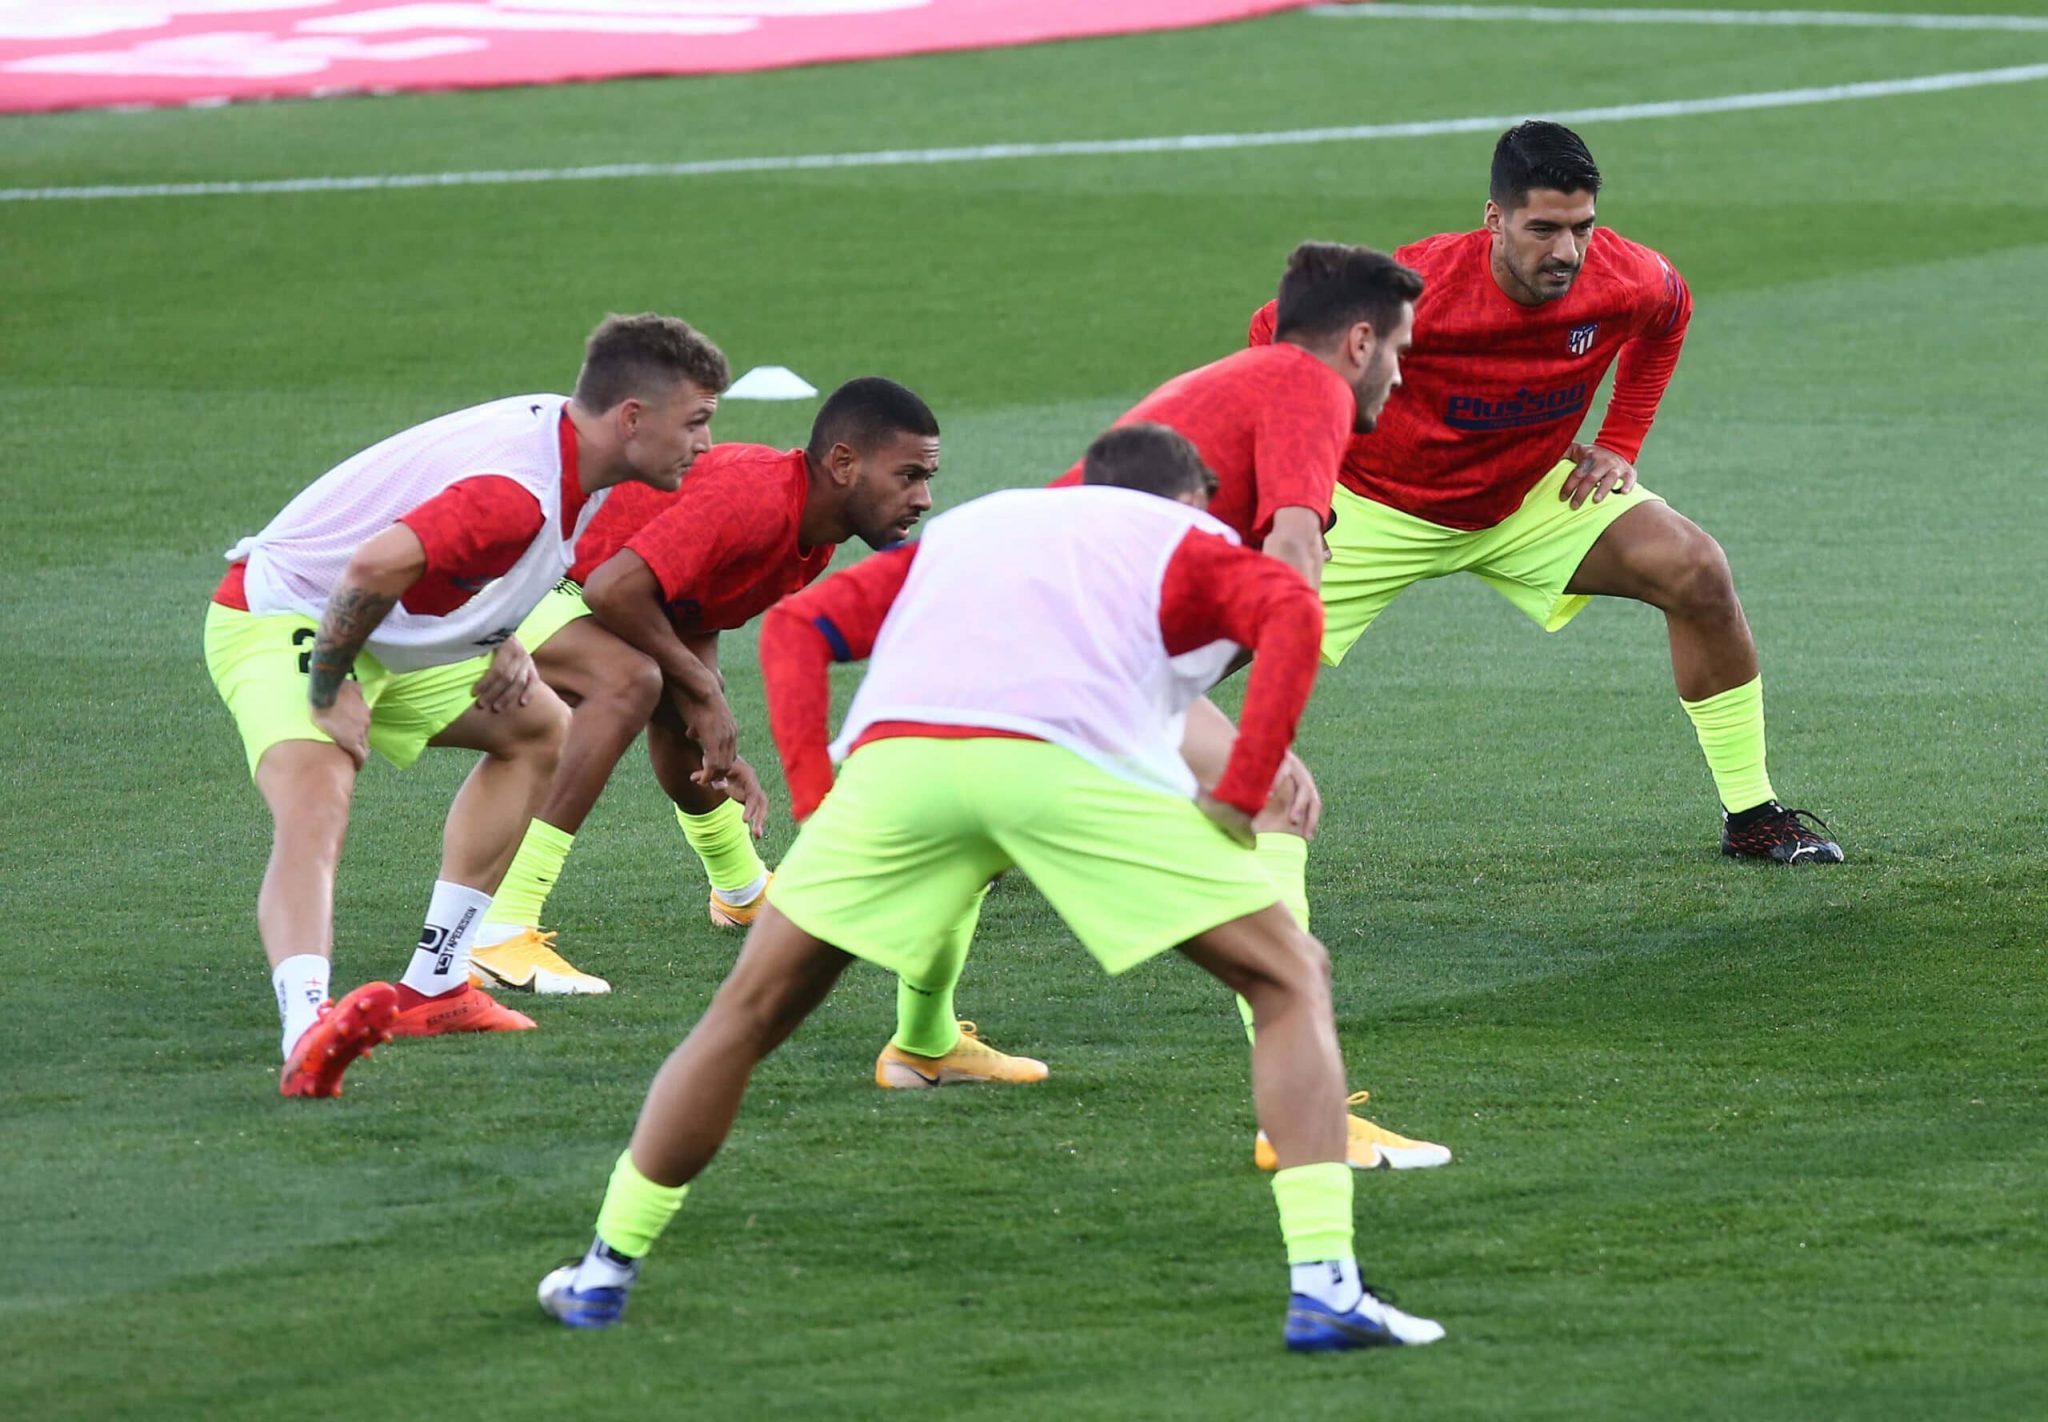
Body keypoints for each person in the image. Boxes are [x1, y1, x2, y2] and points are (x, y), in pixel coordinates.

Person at [535, 424, 1445, 1351]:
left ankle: (604, 1267)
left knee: (742, 1018)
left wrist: (818, 801)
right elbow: (1289, 612)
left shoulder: (979, 527)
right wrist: (1247, 784)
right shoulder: (1184, 532)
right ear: (1186, 500)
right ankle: (1324, 1288)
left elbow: (804, 627)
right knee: (1289, 978)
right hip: (1062, 767)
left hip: (901, 769)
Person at [872, 243, 1450, 1171]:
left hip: (1007, 624)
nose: (1402, 372)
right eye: (1400, 351)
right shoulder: (1311, 389)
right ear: (1357, 341)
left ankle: (923, 1043)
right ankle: (1308, 1121)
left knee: (975, 848)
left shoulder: (1242, 380)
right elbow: (1294, 554)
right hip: (1060, 640)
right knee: (1271, 803)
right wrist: (1264, 742)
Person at [1248, 121, 1841, 864]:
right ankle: (1108, 801)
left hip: (1526, 495)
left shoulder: (1625, 277)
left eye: (1581, 227)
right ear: (1494, 219)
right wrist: (1296, 496)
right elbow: (1273, 338)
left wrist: (1620, 440)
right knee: (1196, 644)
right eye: (1544, 230)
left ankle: (1752, 815)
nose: (1566, 252)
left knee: (1695, 570)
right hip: (1371, 503)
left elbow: (1670, 314)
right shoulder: (1412, 288)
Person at [202, 313, 728, 1096]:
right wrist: (329, 687)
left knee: (538, 727)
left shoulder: (575, 449)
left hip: (391, 627)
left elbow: (478, 551)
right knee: (319, 789)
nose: (706, 444)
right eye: (695, 421)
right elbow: (375, 565)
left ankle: (436, 984)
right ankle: (307, 1026)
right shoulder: (518, 490)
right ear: (631, 418)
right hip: (288, 614)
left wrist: (497, 629)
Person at [463, 378, 945, 995]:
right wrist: (702, 691)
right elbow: (612, 590)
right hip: (517, 584)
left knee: (682, 707)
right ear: (844, 464)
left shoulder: (812, 536)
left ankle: (741, 891)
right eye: (909, 476)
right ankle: (499, 927)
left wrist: (703, 704)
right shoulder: (759, 497)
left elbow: (692, 609)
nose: (924, 498)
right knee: (630, 682)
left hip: (579, 589)